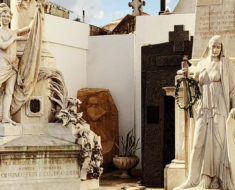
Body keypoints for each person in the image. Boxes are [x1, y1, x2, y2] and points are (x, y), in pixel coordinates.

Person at [175, 35, 235, 190]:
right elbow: (192, 79)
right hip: (203, 108)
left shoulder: (226, 64)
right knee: (197, 144)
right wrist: (184, 74)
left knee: (217, 145)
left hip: (220, 108)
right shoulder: (201, 64)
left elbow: (233, 90)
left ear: (222, 48)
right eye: (213, 46)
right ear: (208, 47)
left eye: (218, 47)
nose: (215, 49)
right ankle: (192, 179)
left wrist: (234, 107)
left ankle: (215, 178)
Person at [0, 3, 32, 125]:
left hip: (13, 66)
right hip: (3, 64)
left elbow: (27, 29)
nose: (6, 18)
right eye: (3, 16)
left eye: (8, 16)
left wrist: (38, 14)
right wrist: (13, 38)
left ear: (10, 18)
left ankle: (5, 117)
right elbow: (3, 46)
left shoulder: (13, 31)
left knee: (9, 91)